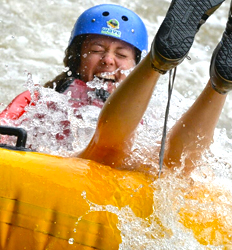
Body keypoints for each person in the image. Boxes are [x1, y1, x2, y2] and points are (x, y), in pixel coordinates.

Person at [1, 0, 232, 174]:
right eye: (96, 50)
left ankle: (214, 78)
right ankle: (219, 85)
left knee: (176, 165)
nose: (108, 61)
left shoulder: (152, 109)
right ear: (76, 58)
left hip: (114, 179)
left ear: (134, 66)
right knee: (171, 166)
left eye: (121, 54)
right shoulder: (42, 99)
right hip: (72, 171)